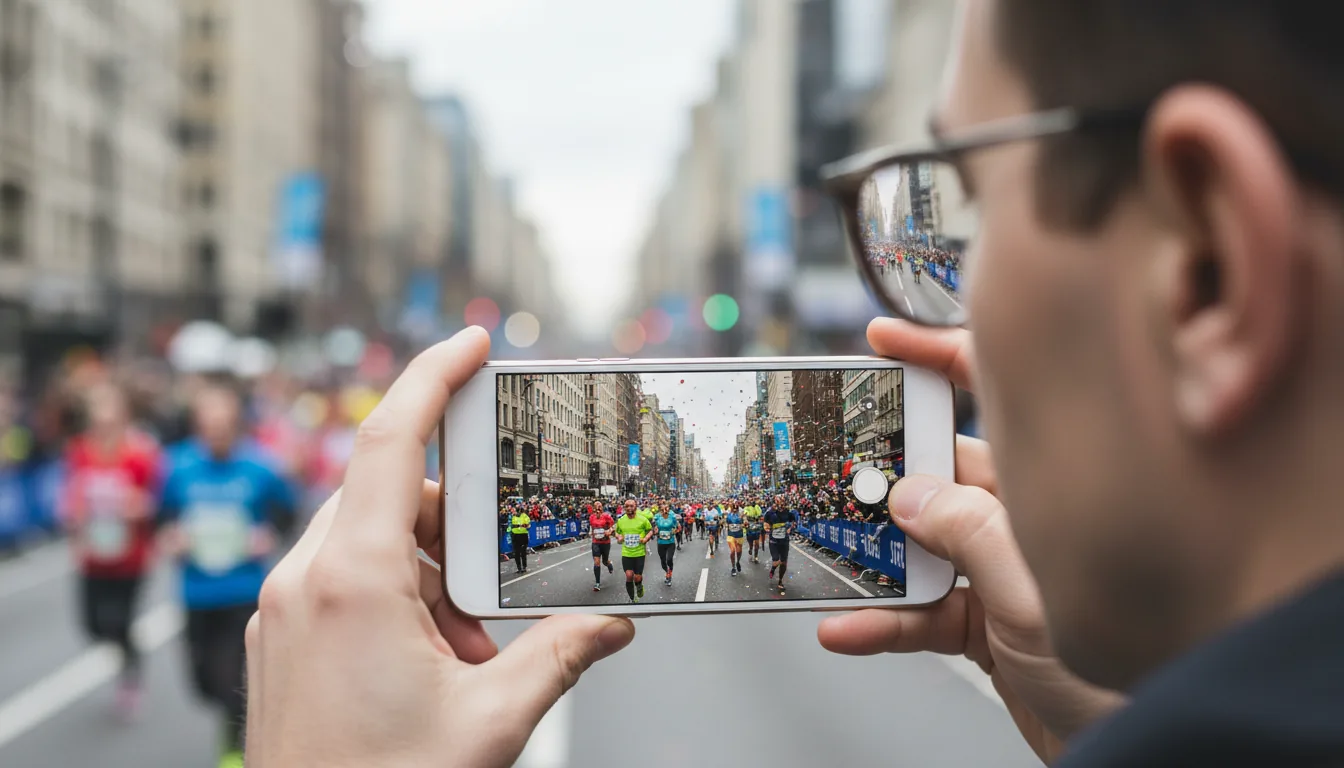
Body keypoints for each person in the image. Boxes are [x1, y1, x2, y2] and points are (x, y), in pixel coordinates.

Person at [161, 383, 295, 768]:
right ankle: (233, 730)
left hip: (243, 591)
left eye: (223, 425)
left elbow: (287, 513)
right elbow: (164, 516)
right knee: (204, 684)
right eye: (209, 426)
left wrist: (267, 535)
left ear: (236, 425)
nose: (216, 433)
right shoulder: (178, 466)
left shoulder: (261, 467)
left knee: (230, 682)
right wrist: (172, 537)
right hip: (196, 591)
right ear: (199, 427)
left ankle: (235, 753)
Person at [61, 382, 162, 720]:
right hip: (93, 554)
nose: (103, 420)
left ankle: (131, 672)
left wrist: (139, 507)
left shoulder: (140, 454)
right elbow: (72, 494)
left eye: (110, 412)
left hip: (130, 556)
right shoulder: (80, 451)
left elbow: (158, 500)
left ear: (123, 415)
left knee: (118, 620)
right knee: (92, 625)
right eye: (97, 412)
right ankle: (124, 653)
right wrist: (74, 517)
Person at [613, 497, 652, 603]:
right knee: (629, 575)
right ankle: (632, 598)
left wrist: (645, 539)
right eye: (626, 506)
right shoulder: (621, 520)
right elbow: (616, 531)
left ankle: (639, 586)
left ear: (636, 507)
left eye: (631, 506)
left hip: (639, 553)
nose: (629, 508)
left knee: (637, 578)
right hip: (627, 553)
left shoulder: (643, 520)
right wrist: (618, 537)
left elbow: (650, 530)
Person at [763, 500, 796, 594]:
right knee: (776, 560)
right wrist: (767, 529)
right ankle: (773, 569)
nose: (780, 506)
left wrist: (790, 528)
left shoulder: (789, 514)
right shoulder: (769, 514)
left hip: (784, 541)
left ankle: (780, 581)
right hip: (774, 541)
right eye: (778, 504)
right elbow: (765, 524)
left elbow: (793, 523)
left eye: (782, 504)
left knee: (784, 562)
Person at [587, 503, 615, 592]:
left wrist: (609, 531)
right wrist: (590, 532)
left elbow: (613, 527)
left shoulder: (607, 517)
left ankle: (609, 564)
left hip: (605, 542)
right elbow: (591, 528)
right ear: (594, 508)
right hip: (596, 543)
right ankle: (597, 583)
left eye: (600, 506)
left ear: (602, 508)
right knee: (596, 562)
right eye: (596, 506)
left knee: (604, 561)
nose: (598, 508)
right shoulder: (591, 517)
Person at [653, 506, 679, 586]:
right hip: (661, 543)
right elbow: (654, 529)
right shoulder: (658, 518)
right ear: (660, 510)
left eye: (666, 509)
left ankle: (669, 575)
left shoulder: (672, 518)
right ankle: (667, 571)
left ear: (669, 510)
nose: (664, 511)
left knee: (669, 559)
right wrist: (655, 531)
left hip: (670, 542)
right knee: (663, 561)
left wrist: (674, 531)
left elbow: (678, 527)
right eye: (662, 509)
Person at [723, 502, 745, 575]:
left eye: (736, 508)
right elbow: (725, 523)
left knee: (738, 552)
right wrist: (725, 525)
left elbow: (746, 522)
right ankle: (733, 568)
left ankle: (738, 562)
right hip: (731, 535)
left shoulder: (741, 515)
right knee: (732, 551)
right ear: (731, 508)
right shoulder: (728, 516)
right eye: (734, 508)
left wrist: (744, 524)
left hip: (739, 535)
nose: (735, 510)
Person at [508, 505, 531, 574]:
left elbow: (528, 525)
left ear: (518, 510)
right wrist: (510, 531)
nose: (513, 511)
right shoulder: (511, 516)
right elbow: (509, 526)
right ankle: (519, 568)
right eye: (512, 510)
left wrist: (523, 526)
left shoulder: (524, 516)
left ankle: (524, 567)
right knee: (516, 553)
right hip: (515, 536)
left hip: (523, 536)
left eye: (514, 510)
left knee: (523, 552)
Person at [744, 498, 765, 564]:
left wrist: (756, 508)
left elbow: (759, 514)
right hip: (750, 527)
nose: (752, 502)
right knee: (750, 543)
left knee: (757, 543)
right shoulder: (747, 507)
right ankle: (750, 548)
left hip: (756, 527)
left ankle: (756, 556)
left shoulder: (757, 507)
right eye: (751, 501)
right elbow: (746, 515)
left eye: (753, 501)